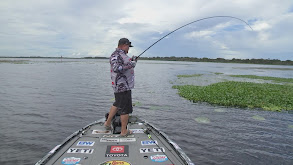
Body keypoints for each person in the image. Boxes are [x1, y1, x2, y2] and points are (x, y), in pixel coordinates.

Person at [104, 38, 137, 136]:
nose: (128, 49)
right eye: (128, 47)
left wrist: (132, 60)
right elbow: (116, 68)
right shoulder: (116, 55)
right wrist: (131, 65)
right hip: (122, 86)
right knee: (125, 109)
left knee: (117, 103)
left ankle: (108, 123)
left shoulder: (122, 55)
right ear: (123, 45)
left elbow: (124, 64)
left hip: (123, 85)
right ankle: (123, 131)